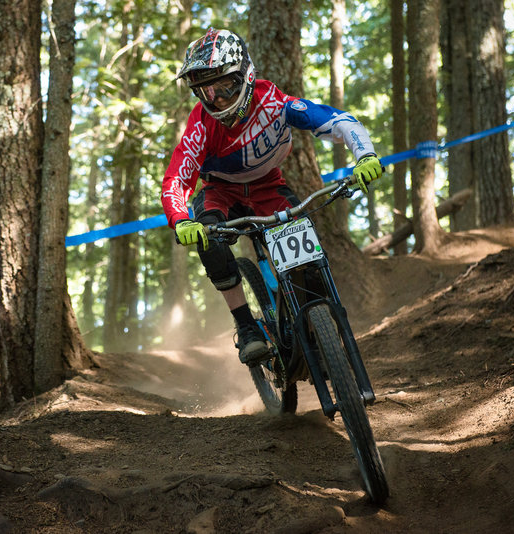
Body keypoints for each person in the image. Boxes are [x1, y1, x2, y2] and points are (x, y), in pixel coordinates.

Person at [162, 28, 383, 365]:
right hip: (220, 193)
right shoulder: (201, 124)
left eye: (224, 86)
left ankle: (315, 324)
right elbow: (177, 177)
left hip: (269, 187)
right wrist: (180, 219)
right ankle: (247, 326)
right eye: (206, 91)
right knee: (209, 239)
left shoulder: (274, 102)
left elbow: (335, 120)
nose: (216, 100)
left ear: (245, 76)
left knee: (310, 267)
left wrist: (364, 154)